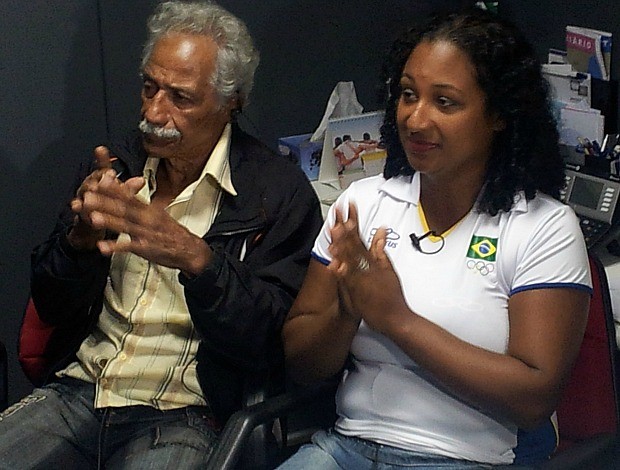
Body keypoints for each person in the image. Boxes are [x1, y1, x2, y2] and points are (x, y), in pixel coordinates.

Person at [0, 1, 322, 468]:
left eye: (180, 97)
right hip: (80, 390)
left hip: (184, 413)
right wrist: (79, 245)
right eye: (150, 87)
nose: (153, 111)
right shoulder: (117, 168)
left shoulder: (275, 193)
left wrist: (200, 261)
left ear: (232, 101)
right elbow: (49, 305)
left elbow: (269, 344)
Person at [278, 8, 591, 469]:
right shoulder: (364, 203)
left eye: (445, 102)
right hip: (344, 449)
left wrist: (396, 319)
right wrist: (346, 310)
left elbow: (532, 399)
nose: (415, 120)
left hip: (462, 459)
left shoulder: (542, 226)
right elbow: (301, 363)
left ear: (500, 115)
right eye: (408, 95)